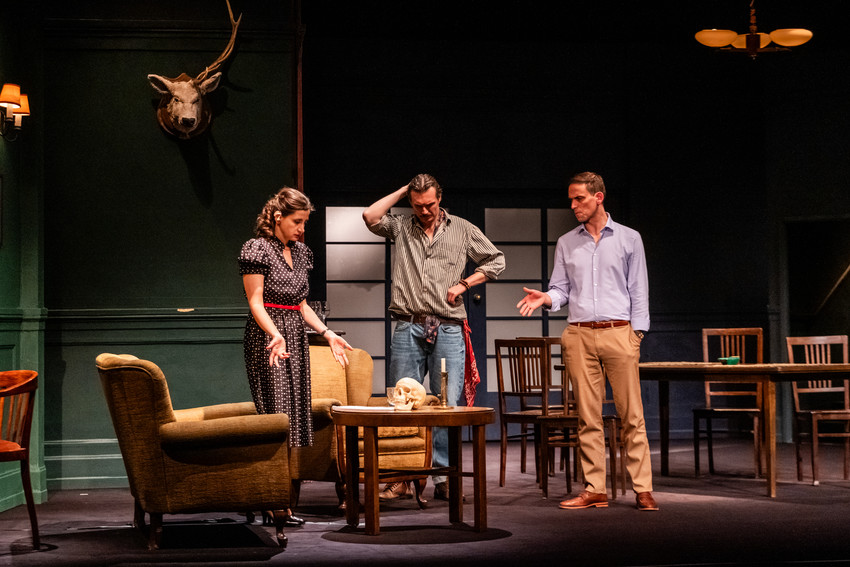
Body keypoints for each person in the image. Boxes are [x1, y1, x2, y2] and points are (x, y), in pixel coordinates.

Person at [516, 171, 657, 511]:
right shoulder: (567, 242)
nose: (573, 205)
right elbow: (561, 289)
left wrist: (636, 334)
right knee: (587, 417)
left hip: (618, 332)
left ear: (598, 197)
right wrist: (546, 298)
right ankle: (595, 489)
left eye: (579, 198)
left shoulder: (629, 238)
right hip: (579, 334)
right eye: (571, 200)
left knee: (631, 415)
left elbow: (639, 289)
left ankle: (643, 489)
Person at [362, 173, 505, 502]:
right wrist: (402, 191)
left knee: (445, 404)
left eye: (430, 204)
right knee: (402, 402)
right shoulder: (401, 226)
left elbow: (496, 260)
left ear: (440, 199)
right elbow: (370, 216)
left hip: (447, 326)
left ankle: (443, 477)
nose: (424, 211)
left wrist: (465, 283)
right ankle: (403, 476)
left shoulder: (462, 229)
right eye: (417, 205)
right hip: (409, 324)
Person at [239, 187, 353, 521]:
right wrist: (274, 334)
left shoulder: (301, 253)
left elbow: (301, 305)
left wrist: (327, 333)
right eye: (296, 222)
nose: (302, 229)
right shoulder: (257, 249)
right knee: (275, 415)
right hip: (268, 338)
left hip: (295, 337)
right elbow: (255, 302)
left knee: (293, 417)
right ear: (278, 217)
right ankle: (271, 499)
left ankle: (284, 499)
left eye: (304, 222)